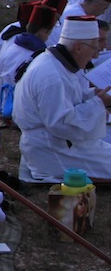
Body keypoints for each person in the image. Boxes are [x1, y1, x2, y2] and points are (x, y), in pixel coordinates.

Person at [13, 15, 111, 182]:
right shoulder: (51, 75)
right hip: (53, 149)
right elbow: (61, 123)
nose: (96, 55)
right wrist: (99, 103)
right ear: (79, 47)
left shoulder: (55, 62)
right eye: (94, 49)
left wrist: (92, 94)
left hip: (61, 142)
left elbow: (67, 99)